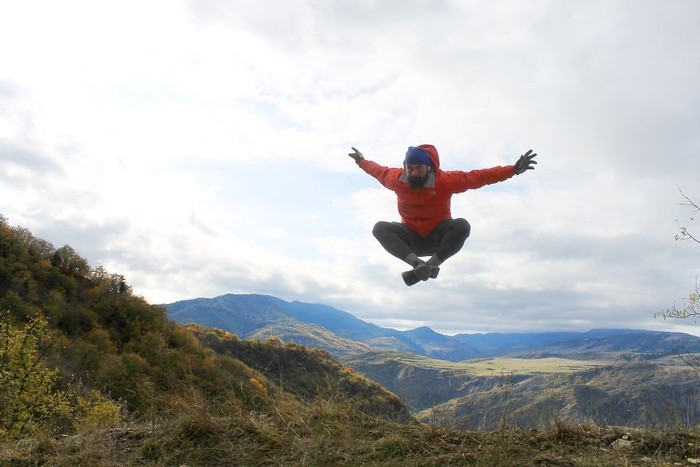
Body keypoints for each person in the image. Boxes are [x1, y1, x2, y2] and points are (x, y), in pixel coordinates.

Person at [347, 144, 537, 286]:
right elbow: (377, 171)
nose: (413, 172)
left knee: (462, 225)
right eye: (409, 167)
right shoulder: (396, 180)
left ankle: (429, 265)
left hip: (438, 238)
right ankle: (418, 264)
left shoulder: (446, 181)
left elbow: (479, 177)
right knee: (380, 228)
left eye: (418, 168)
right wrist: (362, 162)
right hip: (410, 240)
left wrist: (513, 170)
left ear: (429, 167)